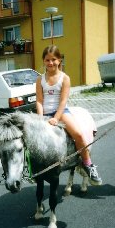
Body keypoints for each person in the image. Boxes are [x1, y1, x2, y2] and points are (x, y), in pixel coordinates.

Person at [36, 45, 102, 185]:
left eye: (54, 59)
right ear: (43, 61)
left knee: (78, 134)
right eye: (47, 60)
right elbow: (39, 101)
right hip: (45, 113)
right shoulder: (39, 80)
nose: (50, 63)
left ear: (59, 60)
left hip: (61, 112)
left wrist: (56, 118)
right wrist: (41, 118)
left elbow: (63, 101)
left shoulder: (64, 78)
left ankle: (88, 164)